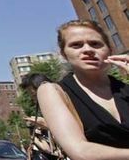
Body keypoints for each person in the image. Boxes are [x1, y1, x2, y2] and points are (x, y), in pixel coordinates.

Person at [37, 19, 129, 160]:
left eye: (95, 44)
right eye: (76, 45)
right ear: (64, 53)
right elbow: (80, 151)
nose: (88, 50)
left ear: (110, 50)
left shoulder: (124, 89)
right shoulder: (53, 91)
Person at [20, 73, 63, 160]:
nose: (34, 99)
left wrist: (48, 126)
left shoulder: (63, 106)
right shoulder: (47, 111)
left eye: (34, 95)